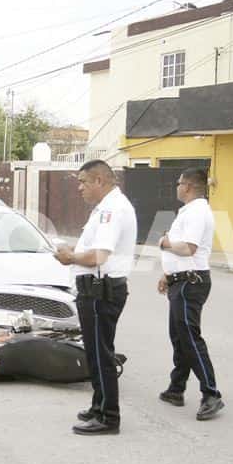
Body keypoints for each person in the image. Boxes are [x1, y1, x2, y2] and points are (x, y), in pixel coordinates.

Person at [53, 160, 137, 436]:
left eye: (83, 182)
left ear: (99, 180)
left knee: (101, 354)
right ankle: (98, 404)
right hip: (95, 288)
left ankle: (109, 417)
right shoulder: (105, 208)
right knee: (94, 351)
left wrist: (71, 257)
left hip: (101, 290)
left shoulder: (112, 210)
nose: (79, 188)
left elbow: (99, 256)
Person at [157, 168, 224, 420]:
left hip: (190, 283)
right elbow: (182, 252)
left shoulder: (197, 212)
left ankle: (211, 394)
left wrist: (164, 243)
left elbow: (188, 248)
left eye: (178, 183)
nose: (176, 187)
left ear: (187, 186)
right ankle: (176, 388)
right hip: (181, 281)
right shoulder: (189, 211)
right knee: (179, 337)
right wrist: (168, 275)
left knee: (189, 338)